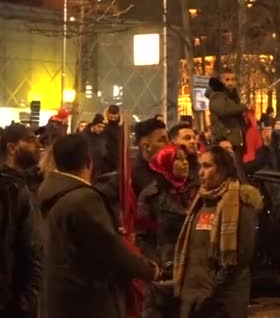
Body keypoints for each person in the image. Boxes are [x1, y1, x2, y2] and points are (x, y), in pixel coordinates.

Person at [38, 134, 160, 318]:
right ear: (89, 161)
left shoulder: (53, 192)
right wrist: (149, 270)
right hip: (86, 302)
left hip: (60, 300)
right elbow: (110, 249)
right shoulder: (84, 199)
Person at [174, 146, 262, 318]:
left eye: (207, 166)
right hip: (193, 297)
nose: (201, 172)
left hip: (223, 302)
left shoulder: (240, 203)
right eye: (200, 166)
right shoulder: (200, 201)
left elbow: (240, 257)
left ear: (222, 170)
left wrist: (212, 294)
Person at [136, 144, 195, 318]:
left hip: (193, 268)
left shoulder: (197, 191)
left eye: (186, 160)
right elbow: (143, 235)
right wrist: (155, 265)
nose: (185, 164)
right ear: (165, 163)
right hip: (164, 271)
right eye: (178, 159)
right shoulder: (151, 195)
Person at [0, 126, 42, 318]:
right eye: (30, 140)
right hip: (13, 300)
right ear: (11, 148)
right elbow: (30, 248)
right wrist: (26, 303)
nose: (37, 145)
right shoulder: (13, 189)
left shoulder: (27, 184)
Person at [209, 69, 248, 161]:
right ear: (220, 81)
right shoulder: (217, 95)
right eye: (227, 80)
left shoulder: (232, 96)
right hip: (225, 139)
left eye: (233, 79)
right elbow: (224, 110)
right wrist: (244, 107)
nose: (230, 83)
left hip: (234, 140)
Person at [132, 118, 169, 197]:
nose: (168, 144)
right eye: (162, 140)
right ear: (146, 146)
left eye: (168, 139)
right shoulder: (141, 177)